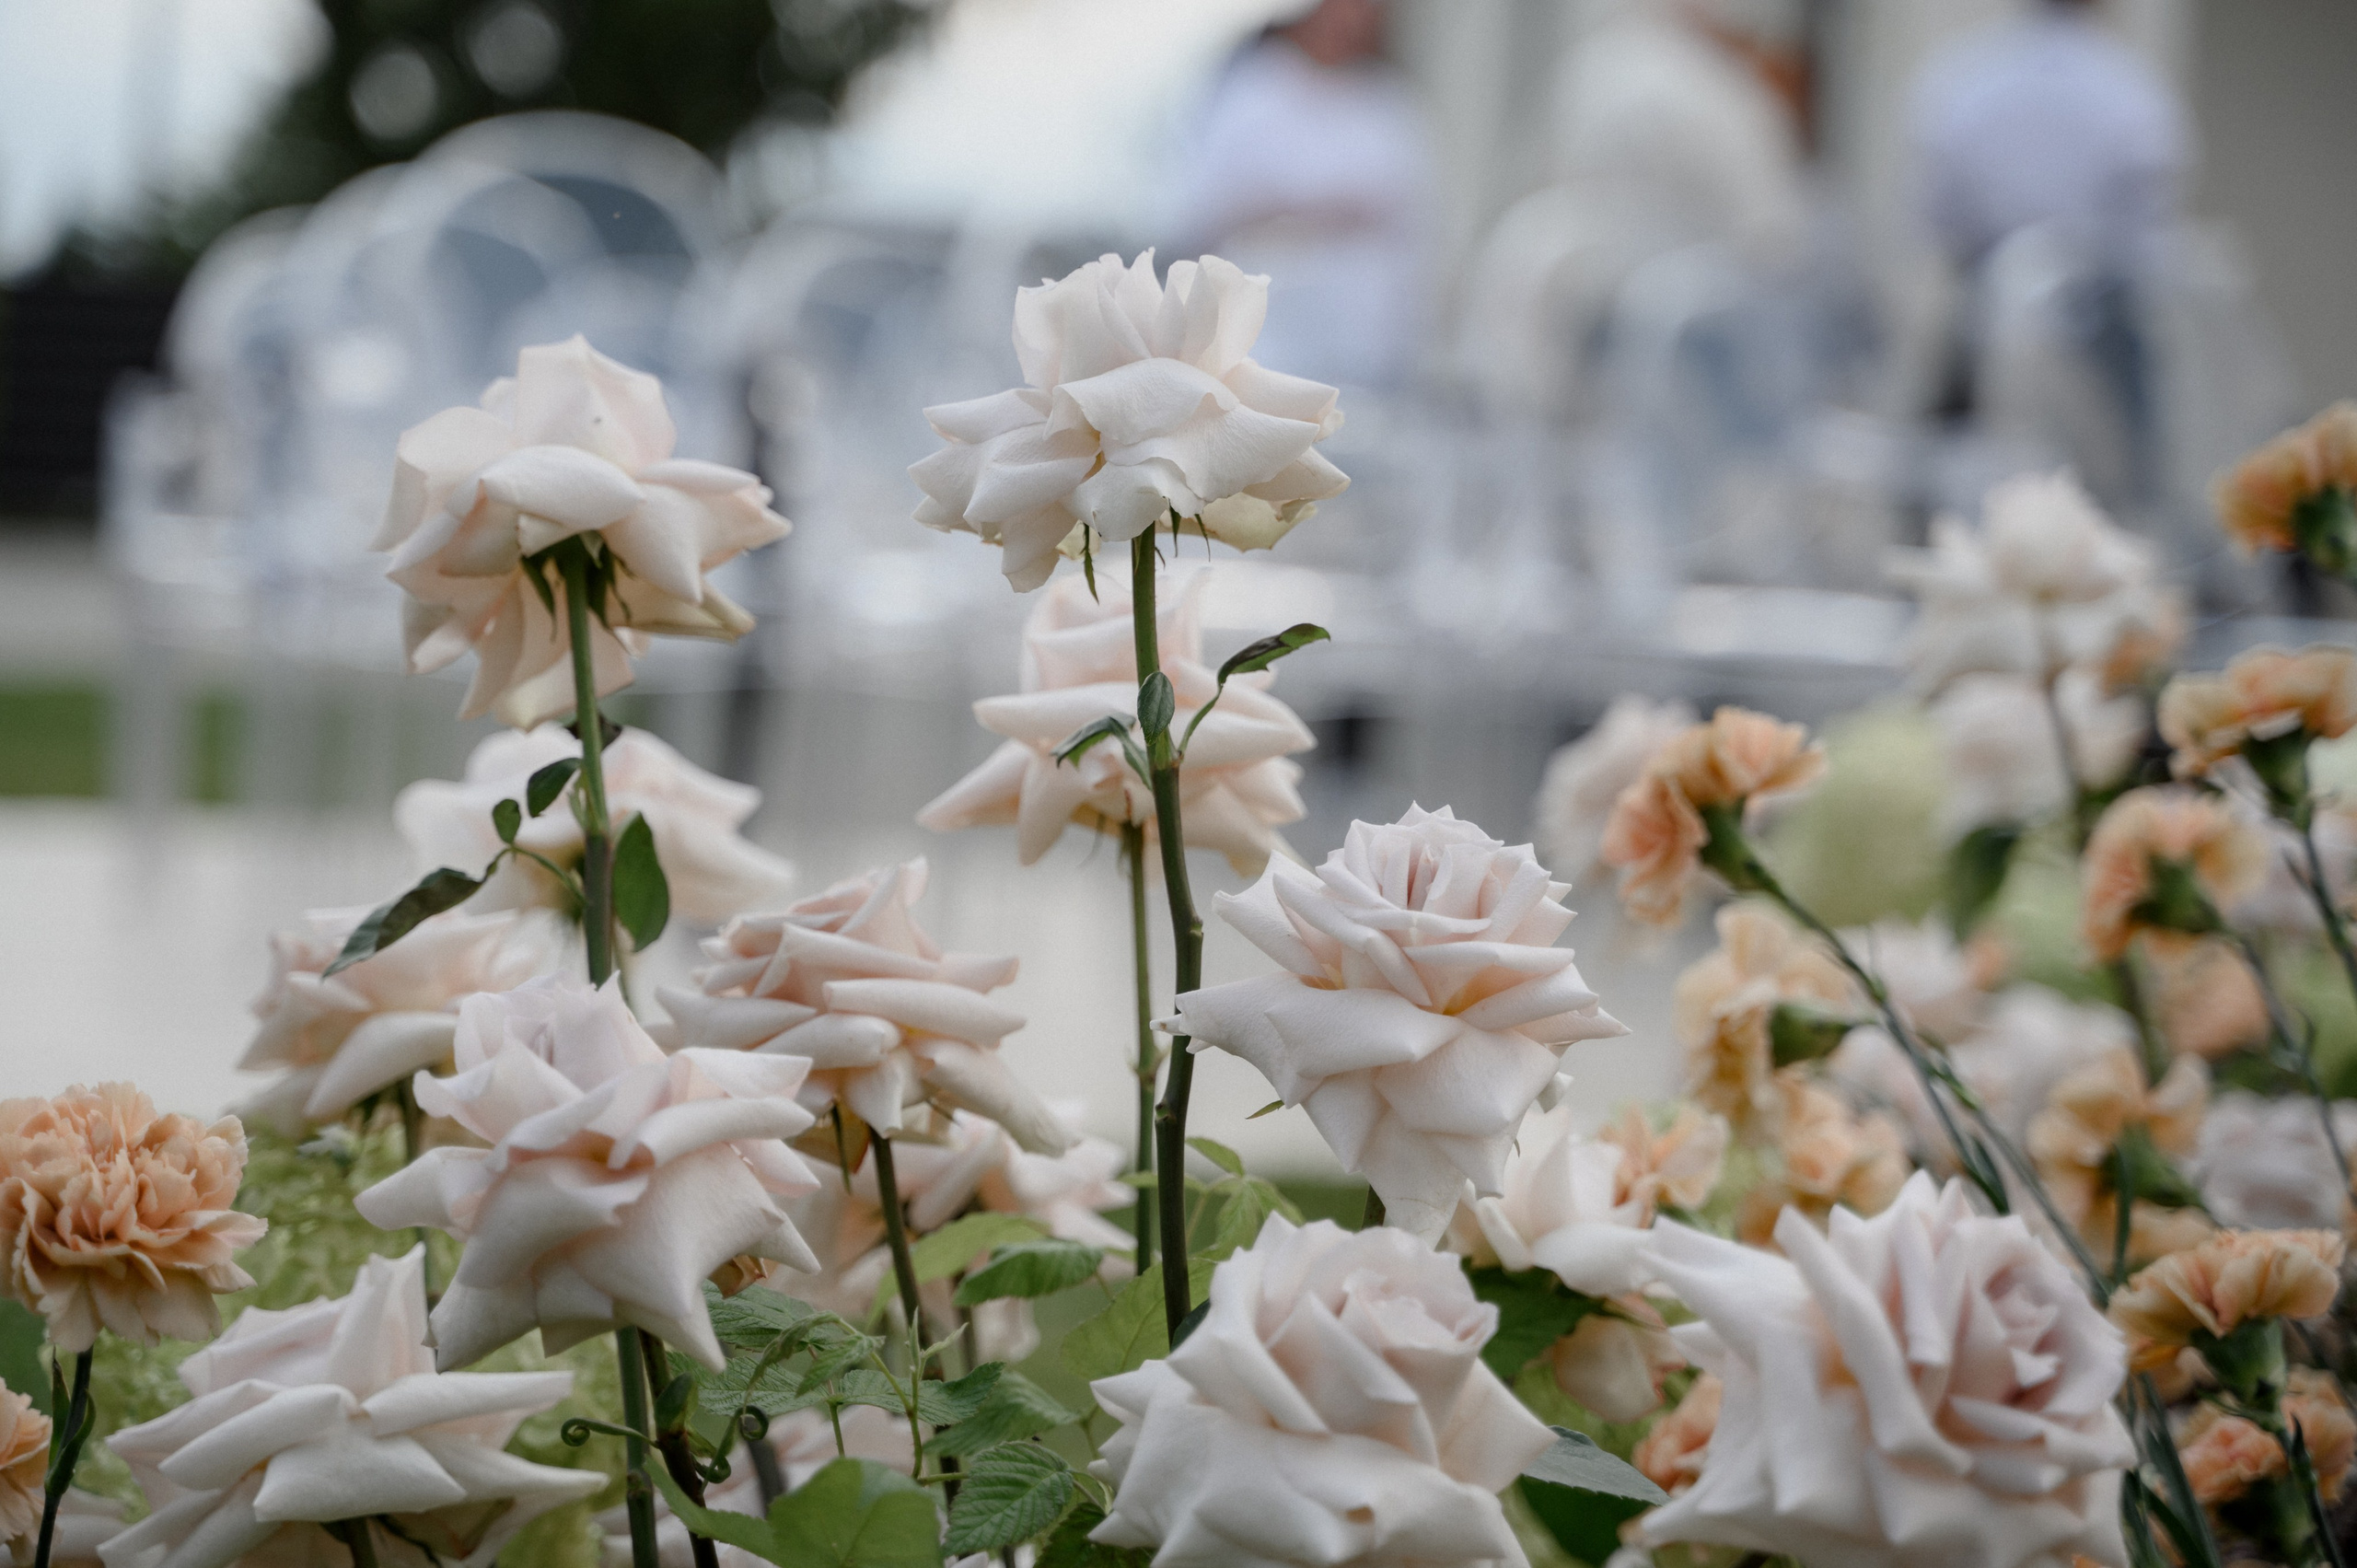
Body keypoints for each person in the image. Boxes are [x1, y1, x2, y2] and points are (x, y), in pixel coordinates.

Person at [1169, 0, 1434, 389]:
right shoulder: (1254, 91)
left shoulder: (1390, 110)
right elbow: (1201, 214)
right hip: (1258, 351)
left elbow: (1416, 230)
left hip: (1362, 359)